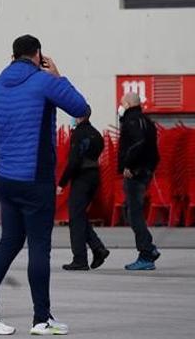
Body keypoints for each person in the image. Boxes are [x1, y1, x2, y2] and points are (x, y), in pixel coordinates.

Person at [0, 35, 91, 336]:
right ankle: (40, 319)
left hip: (7, 178)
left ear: (12, 56)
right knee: (39, 248)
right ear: (38, 55)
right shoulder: (44, 81)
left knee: (8, 241)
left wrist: (9, 157)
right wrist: (58, 75)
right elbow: (81, 108)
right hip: (36, 178)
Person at [58, 112, 108, 271]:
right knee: (79, 215)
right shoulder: (96, 134)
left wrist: (62, 183)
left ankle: (80, 259)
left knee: (75, 218)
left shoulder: (78, 134)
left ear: (79, 116)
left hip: (81, 178)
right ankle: (98, 248)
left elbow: (74, 161)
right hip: (94, 176)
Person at [117, 90, 160, 271]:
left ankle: (146, 252)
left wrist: (129, 165)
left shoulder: (132, 121)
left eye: (122, 102)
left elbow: (138, 144)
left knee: (133, 214)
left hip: (135, 173)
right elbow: (154, 151)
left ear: (128, 104)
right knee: (132, 211)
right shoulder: (147, 121)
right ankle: (148, 248)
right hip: (145, 171)